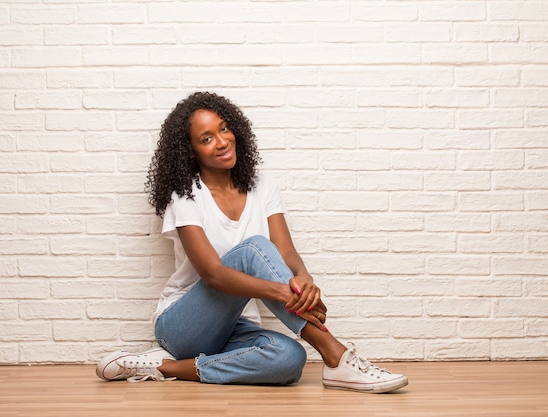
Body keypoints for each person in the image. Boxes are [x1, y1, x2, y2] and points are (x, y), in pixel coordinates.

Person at [95, 91, 408, 393]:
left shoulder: (262, 185)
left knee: (290, 359)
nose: (222, 142)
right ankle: (337, 356)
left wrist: (304, 281)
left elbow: (285, 252)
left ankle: (163, 367)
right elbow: (213, 275)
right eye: (207, 139)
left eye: (224, 129)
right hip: (183, 326)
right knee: (252, 249)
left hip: (236, 328)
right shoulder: (186, 194)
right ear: (190, 151)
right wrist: (283, 292)